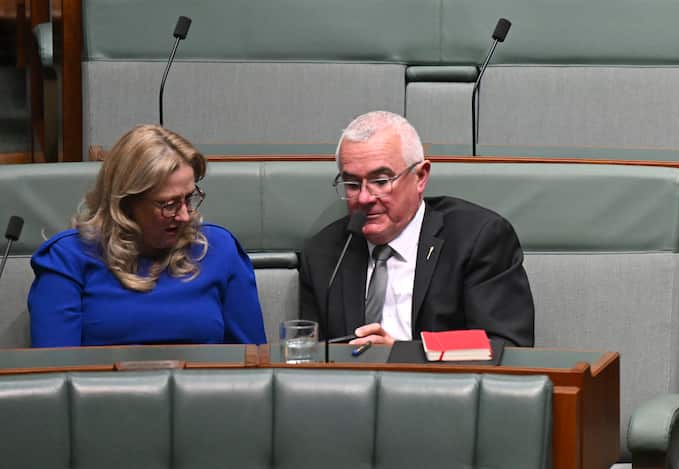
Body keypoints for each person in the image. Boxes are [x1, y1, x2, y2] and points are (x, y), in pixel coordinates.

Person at [298, 111, 534, 348]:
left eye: (381, 181)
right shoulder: (324, 253)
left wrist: (403, 354)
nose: (364, 197)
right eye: (351, 184)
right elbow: (309, 355)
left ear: (420, 177)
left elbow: (505, 345)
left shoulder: (477, 239)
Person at [27, 125, 267, 347]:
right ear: (126, 203)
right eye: (169, 204)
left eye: (189, 198)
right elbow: (54, 373)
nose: (184, 216)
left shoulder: (219, 249)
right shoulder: (67, 258)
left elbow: (255, 363)